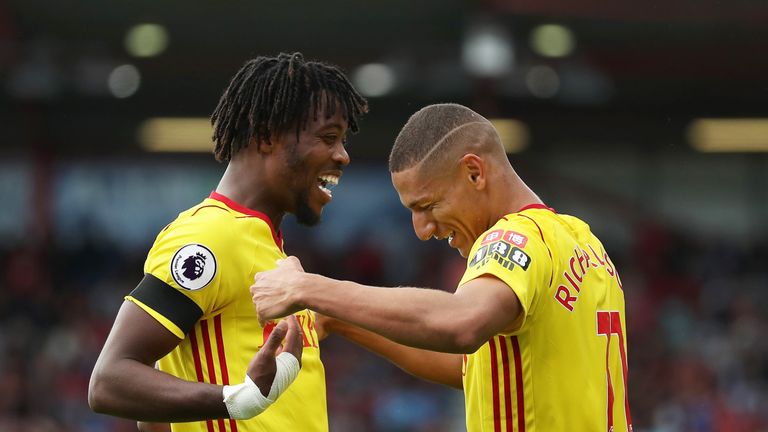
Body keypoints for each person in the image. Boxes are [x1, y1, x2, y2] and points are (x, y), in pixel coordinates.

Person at [251, 103, 632, 432]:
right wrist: (340, 319)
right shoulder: (581, 241)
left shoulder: (514, 238)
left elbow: (462, 323)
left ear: (474, 173)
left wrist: (308, 288)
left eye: (427, 206)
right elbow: (470, 367)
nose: (422, 230)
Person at [88, 52, 368, 431]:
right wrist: (237, 398)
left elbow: (150, 415)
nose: (343, 156)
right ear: (267, 136)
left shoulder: (270, 252)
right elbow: (110, 380)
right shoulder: (211, 235)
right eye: (328, 138)